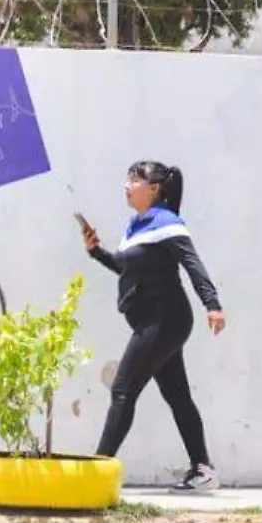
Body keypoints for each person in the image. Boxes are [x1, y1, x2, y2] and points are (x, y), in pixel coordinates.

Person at [80, 161, 226, 492]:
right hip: (154, 321)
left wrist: (212, 304)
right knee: (177, 396)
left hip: (165, 320)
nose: (127, 185)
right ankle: (203, 470)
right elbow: (124, 268)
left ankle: (97, 473)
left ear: (154, 188)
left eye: (134, 180)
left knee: (122, 390)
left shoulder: (167, 223)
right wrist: (96, 252)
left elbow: (192, 264)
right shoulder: (136, 226)